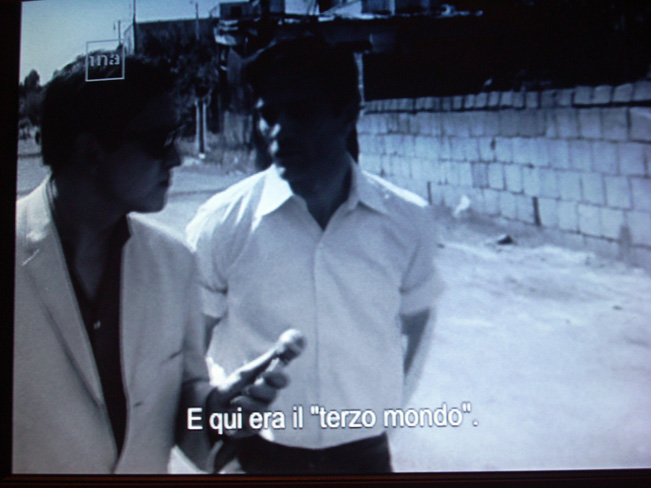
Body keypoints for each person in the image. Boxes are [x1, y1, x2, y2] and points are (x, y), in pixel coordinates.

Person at [13, 54, 287, 474]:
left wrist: (216, 413)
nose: (176, 158)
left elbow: (183, 407)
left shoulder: (173, 263)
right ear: (91, 151)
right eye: (159, 139)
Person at [186, 37, 442, 474]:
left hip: (363, 456)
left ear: (348, 116)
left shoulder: (406, 220)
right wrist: (219, 428)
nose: (280, 131)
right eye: (269, 115)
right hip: (255, 456)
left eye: (301, 112)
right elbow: (189, 348)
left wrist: (386, 408)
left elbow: (416, 323)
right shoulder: (222, 223)